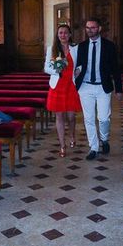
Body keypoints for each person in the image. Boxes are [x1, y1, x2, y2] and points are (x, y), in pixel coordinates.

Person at [74, 17, 123, 160]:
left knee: (103, 118)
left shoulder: (109, 46)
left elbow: (116, 68)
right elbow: (76, 65)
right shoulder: (81, 46)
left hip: (103, 87)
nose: (90, 30)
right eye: (88, 28)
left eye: (93, 27)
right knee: (88, 119)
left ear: (99, 28)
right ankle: (93, 147)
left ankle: (104, 138)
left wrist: (119, 89)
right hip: (85, 86)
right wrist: (76, 71)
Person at [44, 24, 82, 157]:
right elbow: (46, 68)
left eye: (65, 33)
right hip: (57, 85)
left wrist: (78, 70)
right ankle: (62, 145)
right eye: (60, 33)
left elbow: (81, 64)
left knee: (71, 117)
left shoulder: (75, 49)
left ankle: (72, 135)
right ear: (57, 35)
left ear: (70, 34)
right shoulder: (52, 49)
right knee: (59, 116)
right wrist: (56, 70)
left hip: (70, 86)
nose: (63, 35)